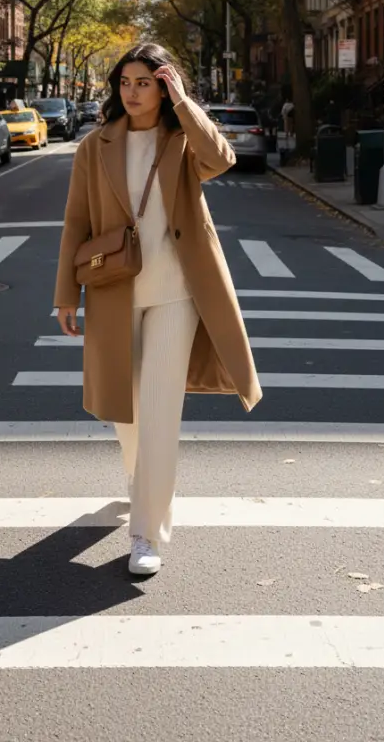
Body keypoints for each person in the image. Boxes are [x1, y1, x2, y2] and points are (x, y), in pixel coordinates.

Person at [54, 42, 262, 577]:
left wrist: (187, 104)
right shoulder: (93, 147)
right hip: (112, 291)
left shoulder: (181, 140)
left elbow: (222, 159)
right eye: (125, 82)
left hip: (176, 294)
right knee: (125, 411)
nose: (132, 91)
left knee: (161, 412)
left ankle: (147, 532)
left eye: (145, 82)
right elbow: (75, 224)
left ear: (164, 86)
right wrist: (64, 295)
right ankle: (140, 481)